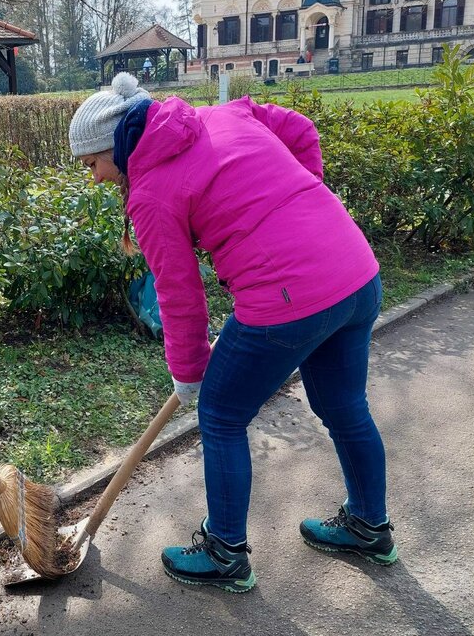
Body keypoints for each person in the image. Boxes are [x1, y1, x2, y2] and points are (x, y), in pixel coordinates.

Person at [68, 73, 396, 593]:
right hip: (356, 271)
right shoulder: (223, 115)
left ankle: (224, 554)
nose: (95, 177)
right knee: (344, 407)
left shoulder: (150, 192)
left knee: (220, 413)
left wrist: (190, 373)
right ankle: (369, 526)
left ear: (115, 147)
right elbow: (302, 130)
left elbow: (178, 293)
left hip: (289, 297)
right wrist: (304, 206)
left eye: (92, 164)